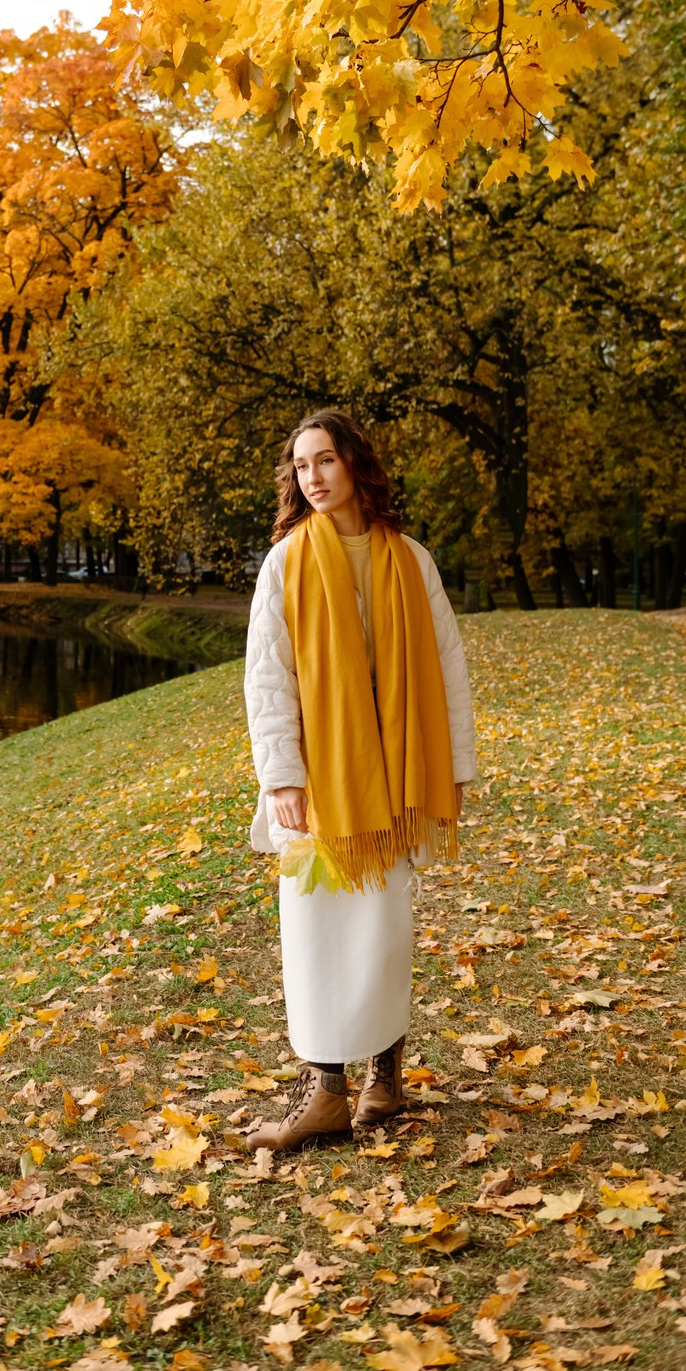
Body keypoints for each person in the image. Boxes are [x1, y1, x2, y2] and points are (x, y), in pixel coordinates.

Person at [243, 410, 478, 1152]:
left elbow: (447, 670)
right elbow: (267, 680)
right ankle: (327, 1093)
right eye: (301, 466)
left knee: (385, 927)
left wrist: (455, 766)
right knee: (314, 928)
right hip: (318, 779)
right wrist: (282, 775)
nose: (312, 478)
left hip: (400, 771)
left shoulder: (411, 559)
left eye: (325, 461)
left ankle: (386, 1080)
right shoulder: (285, 564)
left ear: (355, 467)